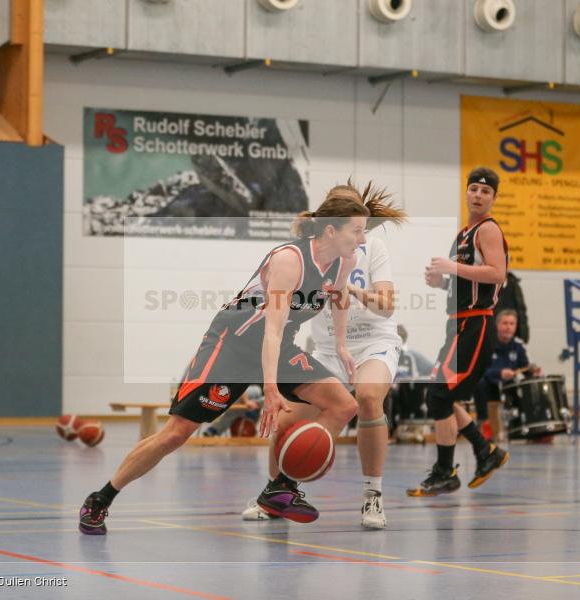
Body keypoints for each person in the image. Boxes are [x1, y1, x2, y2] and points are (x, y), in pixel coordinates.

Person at [78, 186, 383, 534]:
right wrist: (271, 389)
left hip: (279, 346)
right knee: (177, 433)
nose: (362, 239)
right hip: (232, 344)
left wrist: (341, 344)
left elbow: (339, 296)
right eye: (357, 231)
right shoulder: (290, 260)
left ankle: (280, 487)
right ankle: (100, 499)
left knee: (344, 405)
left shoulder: (346, 261)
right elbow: (271, 330)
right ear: (331, 230)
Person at [241, 183, 407, 529]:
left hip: (374, 342)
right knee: (287, 416)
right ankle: (276, 494)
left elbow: (387, 307)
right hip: (328, 348)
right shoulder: (312, 250)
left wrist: (353, 291)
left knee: (368, 397)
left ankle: (373, 495)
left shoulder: (372, 247)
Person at [407, 167, 510, 497]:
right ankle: (484, 451)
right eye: (474, 189)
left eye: (485, 191)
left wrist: (451, 267)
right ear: (466, 193)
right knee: (437, 395)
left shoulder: (488, 230)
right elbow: (466, 283)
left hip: (476, 324)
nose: (478, 195)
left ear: (493, 198)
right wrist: (443, 283)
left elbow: (498, 274)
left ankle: (446, 471)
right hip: (458, 323)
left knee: (440, 394)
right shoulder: (464, 234)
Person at [472, 309, 539, 437]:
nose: (508, 327)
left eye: (512, 324)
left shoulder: (518, 346)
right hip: (490, 384)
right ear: (497, 325)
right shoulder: (486, 343)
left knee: (531, 384)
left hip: (510, 387)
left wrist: (533, 372)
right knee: (479, 382)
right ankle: (483, 422)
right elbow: (479, 369)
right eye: (505, 323)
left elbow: (525, 368)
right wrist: (499, 373)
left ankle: (528, 425)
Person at [494, 271, 529, 343]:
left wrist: (524, 334)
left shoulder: (514, 284)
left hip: (513, 334)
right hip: (494, 331)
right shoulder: (491, 283)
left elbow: (521, 311)